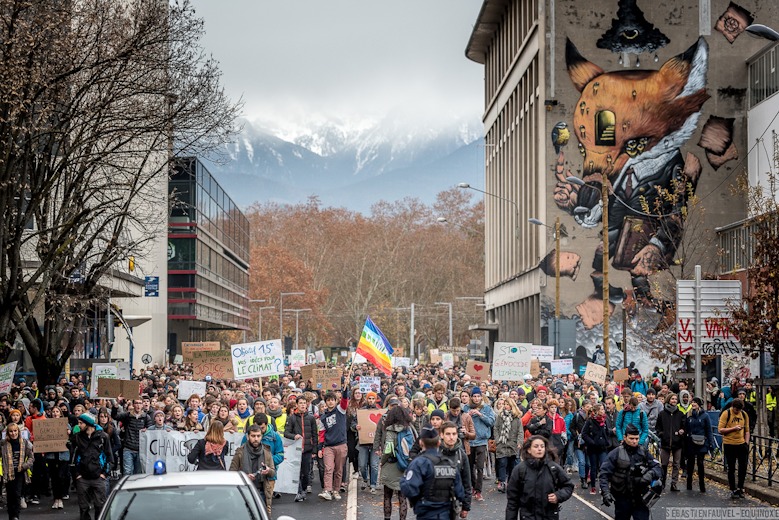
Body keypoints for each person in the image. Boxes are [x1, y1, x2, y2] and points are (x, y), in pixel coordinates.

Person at [400, 427, 467, 520]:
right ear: (439, 443)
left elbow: (409, 489)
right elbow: (460, 492)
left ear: (421, 442)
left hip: (426, 514)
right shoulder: (449, 464)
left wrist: (404, 479)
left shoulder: (419, 463)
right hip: (446, 513)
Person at [599, 424, 663, 520]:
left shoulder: (643, 452)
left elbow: (657, 467)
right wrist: (606, 492)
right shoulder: (615, 453)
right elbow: (604, 474)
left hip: (640, 497)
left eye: (637, 439)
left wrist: (651, 474)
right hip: (622, 498)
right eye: (632, 438)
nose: (634, 441)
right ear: (625, 437)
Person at [505, 435, 574, 520]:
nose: (540, 449)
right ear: (529, 450)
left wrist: (558, 496)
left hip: (549, 516)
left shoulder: (553, 468)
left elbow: (568, 486)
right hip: (528, 517)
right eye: (536, 446)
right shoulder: (520, 470)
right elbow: (512, 500)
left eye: (542, 446)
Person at [72, 413, 114, 520]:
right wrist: (76, 474)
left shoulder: (103, 437)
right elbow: (73, 457)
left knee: (100, 506)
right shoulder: (77, 437)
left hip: (98, 478)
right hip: (82, 478)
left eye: (81, 423)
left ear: (88, 424)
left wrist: (104, 474)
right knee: (83, 507)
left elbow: (109, 457)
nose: (79, 425)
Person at [230, 423, 277, 515]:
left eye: (258, 436)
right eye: (253, 436)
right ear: (248, 437)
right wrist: (245, 477)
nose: (256, 439)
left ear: (261, 436)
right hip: (245, 491)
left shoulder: (266, 451)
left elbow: (273, 473)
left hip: (261, 491)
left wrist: (268, 471)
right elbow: (232, 473)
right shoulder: (240, 452)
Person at [380, 405, 415, 520]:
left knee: (387, 496)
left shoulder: (390, 430)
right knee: (402, 498)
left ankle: (387, 518)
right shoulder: (408, 429)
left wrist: (382, 461)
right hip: (404, 465)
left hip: (391, 466)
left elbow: (388, 450)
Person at [463, 387, 495, 501]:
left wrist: (480, 415)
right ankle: (473, 486)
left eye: (478, 396)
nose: (476, 398)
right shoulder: (466, 408)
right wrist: (468, 415)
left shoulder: (486, 408)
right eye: (474, 396)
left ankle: (478, 491)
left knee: (480, 466)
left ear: (481, 397)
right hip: (470, 440)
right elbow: (461, 421)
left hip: (481, 440)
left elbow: (491, 422)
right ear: (471, 397)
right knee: (470, 466)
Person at [285, 395, 318, 501]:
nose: (303, 405)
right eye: (301, 403)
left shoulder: (311, 418)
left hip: (307, 450)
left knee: (306, 472)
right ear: (297, 405)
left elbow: (314, 434)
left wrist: (314, 450)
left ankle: (303, 489)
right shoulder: (292, 418)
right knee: (296, 472)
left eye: (304, 403)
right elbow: (286, 433)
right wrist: (294, 436)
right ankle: (299, 492)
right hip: (296, 450)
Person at [318, 389, 349, 501]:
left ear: (336, 401)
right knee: (328, 468)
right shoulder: (323, 417)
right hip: (328, 446)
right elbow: (321, 434)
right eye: (328, 400)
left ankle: (336, 489)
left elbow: (345, 401)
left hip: (341, 444)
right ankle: (327, 490)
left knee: (339, 469)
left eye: (332, 400)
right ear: (325, 402)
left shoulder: (340, 410)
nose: (330, 402)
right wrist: (320, 448)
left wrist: (345, 390)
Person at [718, 398, 750, 499]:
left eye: (739, 410)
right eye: (736, 410)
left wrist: (746, 442)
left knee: (743, 467)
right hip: (729, 444)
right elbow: (720, 430)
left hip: (741, 444)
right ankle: (733, 488)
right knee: (731, 467)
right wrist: (733, 428)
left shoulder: (744, 414)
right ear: (733, 407)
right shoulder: (726, 413)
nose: (737, 412)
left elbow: (747, 430)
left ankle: (740, 487)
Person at [440, 421, 472, 519]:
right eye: (448, 434)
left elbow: (467, 482)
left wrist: (466, 506)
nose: (451, 437)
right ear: (442, 435)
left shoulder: (461, 455)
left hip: (455, 504)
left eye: (454, 434)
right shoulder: (434, 454)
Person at [112, 397, 152, 475]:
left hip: (140, 449)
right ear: (133, 404)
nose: (138, 405)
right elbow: (115, 416)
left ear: (142, 405)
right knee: (127, 472)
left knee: (138, 473)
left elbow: (150, 431)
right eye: (136, 403)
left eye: (140, 403)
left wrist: (147, 430)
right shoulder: (127, 415)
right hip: (128, 448)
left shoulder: (146, 417)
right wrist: (116, 405)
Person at [2, 423, 34, 520]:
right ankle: (11, 515)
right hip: (8, 472)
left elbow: (31, 457)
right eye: (11, 431)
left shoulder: (24, 443)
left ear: (18, 432)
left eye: (15, 431)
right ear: (8, 433)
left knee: (17, 494)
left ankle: (16, 515)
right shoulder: (3, 444)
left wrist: (24, 466)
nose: (13, 433)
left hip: (20, 471)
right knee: (10, 495)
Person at [655, 393, 685, 492]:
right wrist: (662, 434)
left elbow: (684, 427)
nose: (674, 401)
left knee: (676, 464)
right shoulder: (662, 414)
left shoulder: (680, 414)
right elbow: (658, 427)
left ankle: (674, 483)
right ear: (668, 400)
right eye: (672, 399)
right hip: (665, 442)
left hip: (677, 442)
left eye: (676, 399)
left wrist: (682, 431)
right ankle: (663, 482)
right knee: (664, 463)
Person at [684, 397, 713, 492]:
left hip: (702, 442)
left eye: (695, 402)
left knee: (700, 463)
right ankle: (689, 484)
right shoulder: (688, 415)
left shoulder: (705, 416)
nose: (693, 404)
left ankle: (702, 485)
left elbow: (709, 430)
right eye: (692, 402)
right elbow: (686, 429)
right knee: (690, 463)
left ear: (699, 404)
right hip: (690, 442)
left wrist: (710, 443)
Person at [494, 397, 523, 493]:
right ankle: (502, 482)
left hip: (513, 444)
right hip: (502, 443)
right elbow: (496, 428)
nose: (506, 406)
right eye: (505, 404)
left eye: (508, 404)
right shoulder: (500, 416)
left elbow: (520, 431)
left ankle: (510, 482)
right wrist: (498, 440)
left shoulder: (517, 417)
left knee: (512, 465)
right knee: (502, 463)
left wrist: (519, 442)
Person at [582, 403, 611, 495]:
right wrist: (591, 442)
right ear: (596, 411)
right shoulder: (590, 421)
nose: (603, 411)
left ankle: (603, 487)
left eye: (603, 409)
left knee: (603, 467)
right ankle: (593, 486)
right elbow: (584, 434)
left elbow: (606, 432)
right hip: (593, 448)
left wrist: (607, 440)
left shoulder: (604, 420)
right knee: (593, 467)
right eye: (601, 410)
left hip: (602, 447)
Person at [357, 391, 381, 494]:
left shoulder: (379, 412)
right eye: (369, 398)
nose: (371, 400)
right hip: (363, 443)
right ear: (366, 399)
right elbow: (353, 423)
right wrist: (356, 427)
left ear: (375, 400)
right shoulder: (361, 411)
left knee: (374, 465)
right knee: (362, 465)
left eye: (373, 399)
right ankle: (365, 478)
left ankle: (373, 484)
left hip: (375, 444)